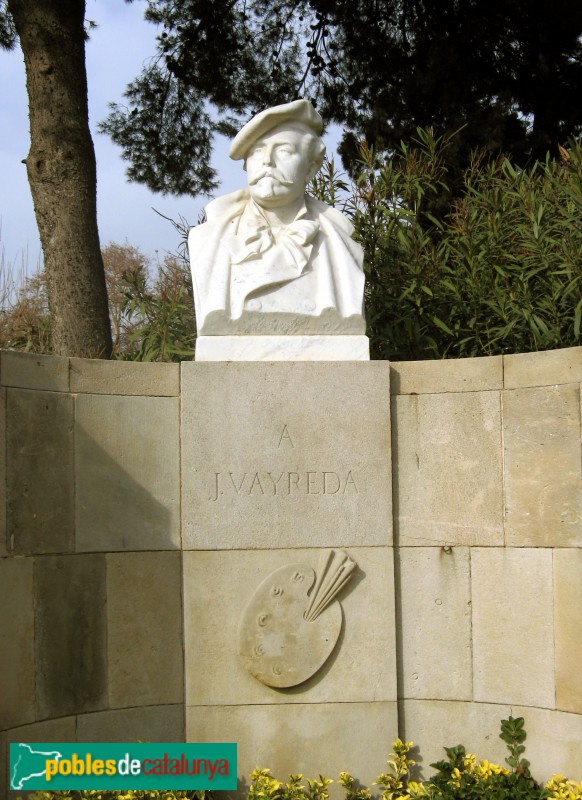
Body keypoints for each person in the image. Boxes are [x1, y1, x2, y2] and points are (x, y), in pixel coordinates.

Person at [188, 99, 366, 335]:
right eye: (257, 152)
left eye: (284, 151)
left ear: (310, 169)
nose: (267, 162)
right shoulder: (208, 239)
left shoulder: (339, 243)